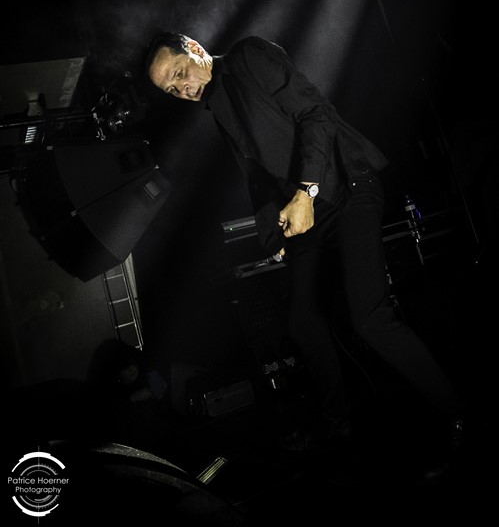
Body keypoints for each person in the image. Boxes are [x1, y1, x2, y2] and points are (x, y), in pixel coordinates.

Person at [144, 32, 466, 478]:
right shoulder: (217, 104)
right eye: (171, 89)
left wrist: (306, 192)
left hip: (344, 183)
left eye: (180, 74)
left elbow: (315, 112)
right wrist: (272, 235)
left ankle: (458, 415)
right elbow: (257, 173)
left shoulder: (248, 56)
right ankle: (338, 422)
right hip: (308, 203)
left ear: (195, 49)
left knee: (370, 317)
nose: (182, 89)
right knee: (302, 319)